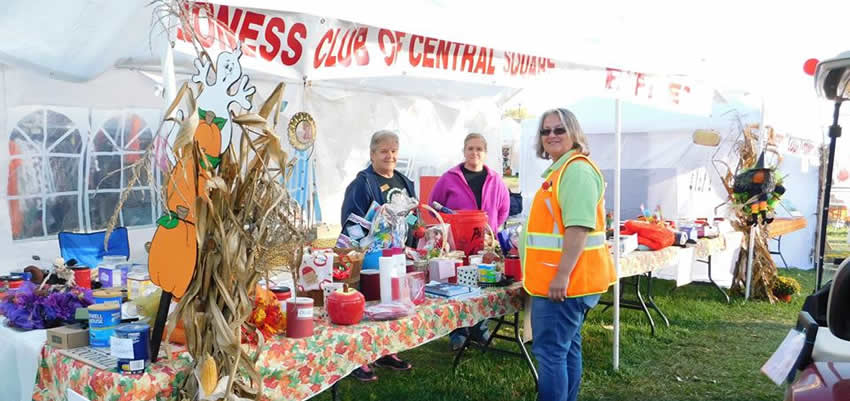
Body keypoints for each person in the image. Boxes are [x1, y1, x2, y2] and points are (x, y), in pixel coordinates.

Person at [520, 108, 617, 401]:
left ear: (574, 133)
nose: (551, 136)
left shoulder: (575, 171)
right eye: (545, 131)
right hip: (569, 281)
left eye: (559, 130)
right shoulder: (563, 170)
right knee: (565, 349)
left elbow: (578, 227)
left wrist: (561, 275)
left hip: (565, 283)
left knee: (551, 354)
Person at [340, 130, 415, 382]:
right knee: (369, 308)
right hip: (371, 260)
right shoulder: (362, 183)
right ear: (372, 154)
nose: (389, 155)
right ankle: (360, 360)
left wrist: (419, 232)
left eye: (394, 151)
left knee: (392, 305)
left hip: (397, 257)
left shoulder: (405, 182)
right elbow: (350, 222)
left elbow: (413, 216)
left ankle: (387, 351)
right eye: (384, 151)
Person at [428, 133, 509, 350]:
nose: (474, 153)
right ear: (464, 151)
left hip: (484, 245)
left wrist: (491, 230)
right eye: (470, 148)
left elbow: (503, 209)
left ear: (485, 153)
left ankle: (479, 330)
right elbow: (433, 205)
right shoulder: (449, 178)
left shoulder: (495, 179)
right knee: (457, 285)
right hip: (455, 245)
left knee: (481, 286)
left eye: (479, 149)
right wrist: (446, 231)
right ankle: (458, 333)